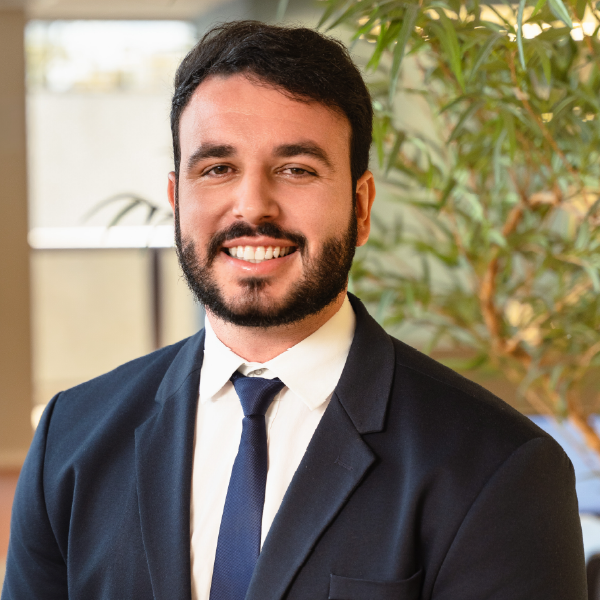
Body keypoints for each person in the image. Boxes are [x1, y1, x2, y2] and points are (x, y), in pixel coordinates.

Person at [2, 20, 587, 600]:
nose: (253, 205)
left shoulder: (498, 467)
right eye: (218, 168)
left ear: (361, 207)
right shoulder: (70, 438)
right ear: (178, 199)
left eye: (296, 170)